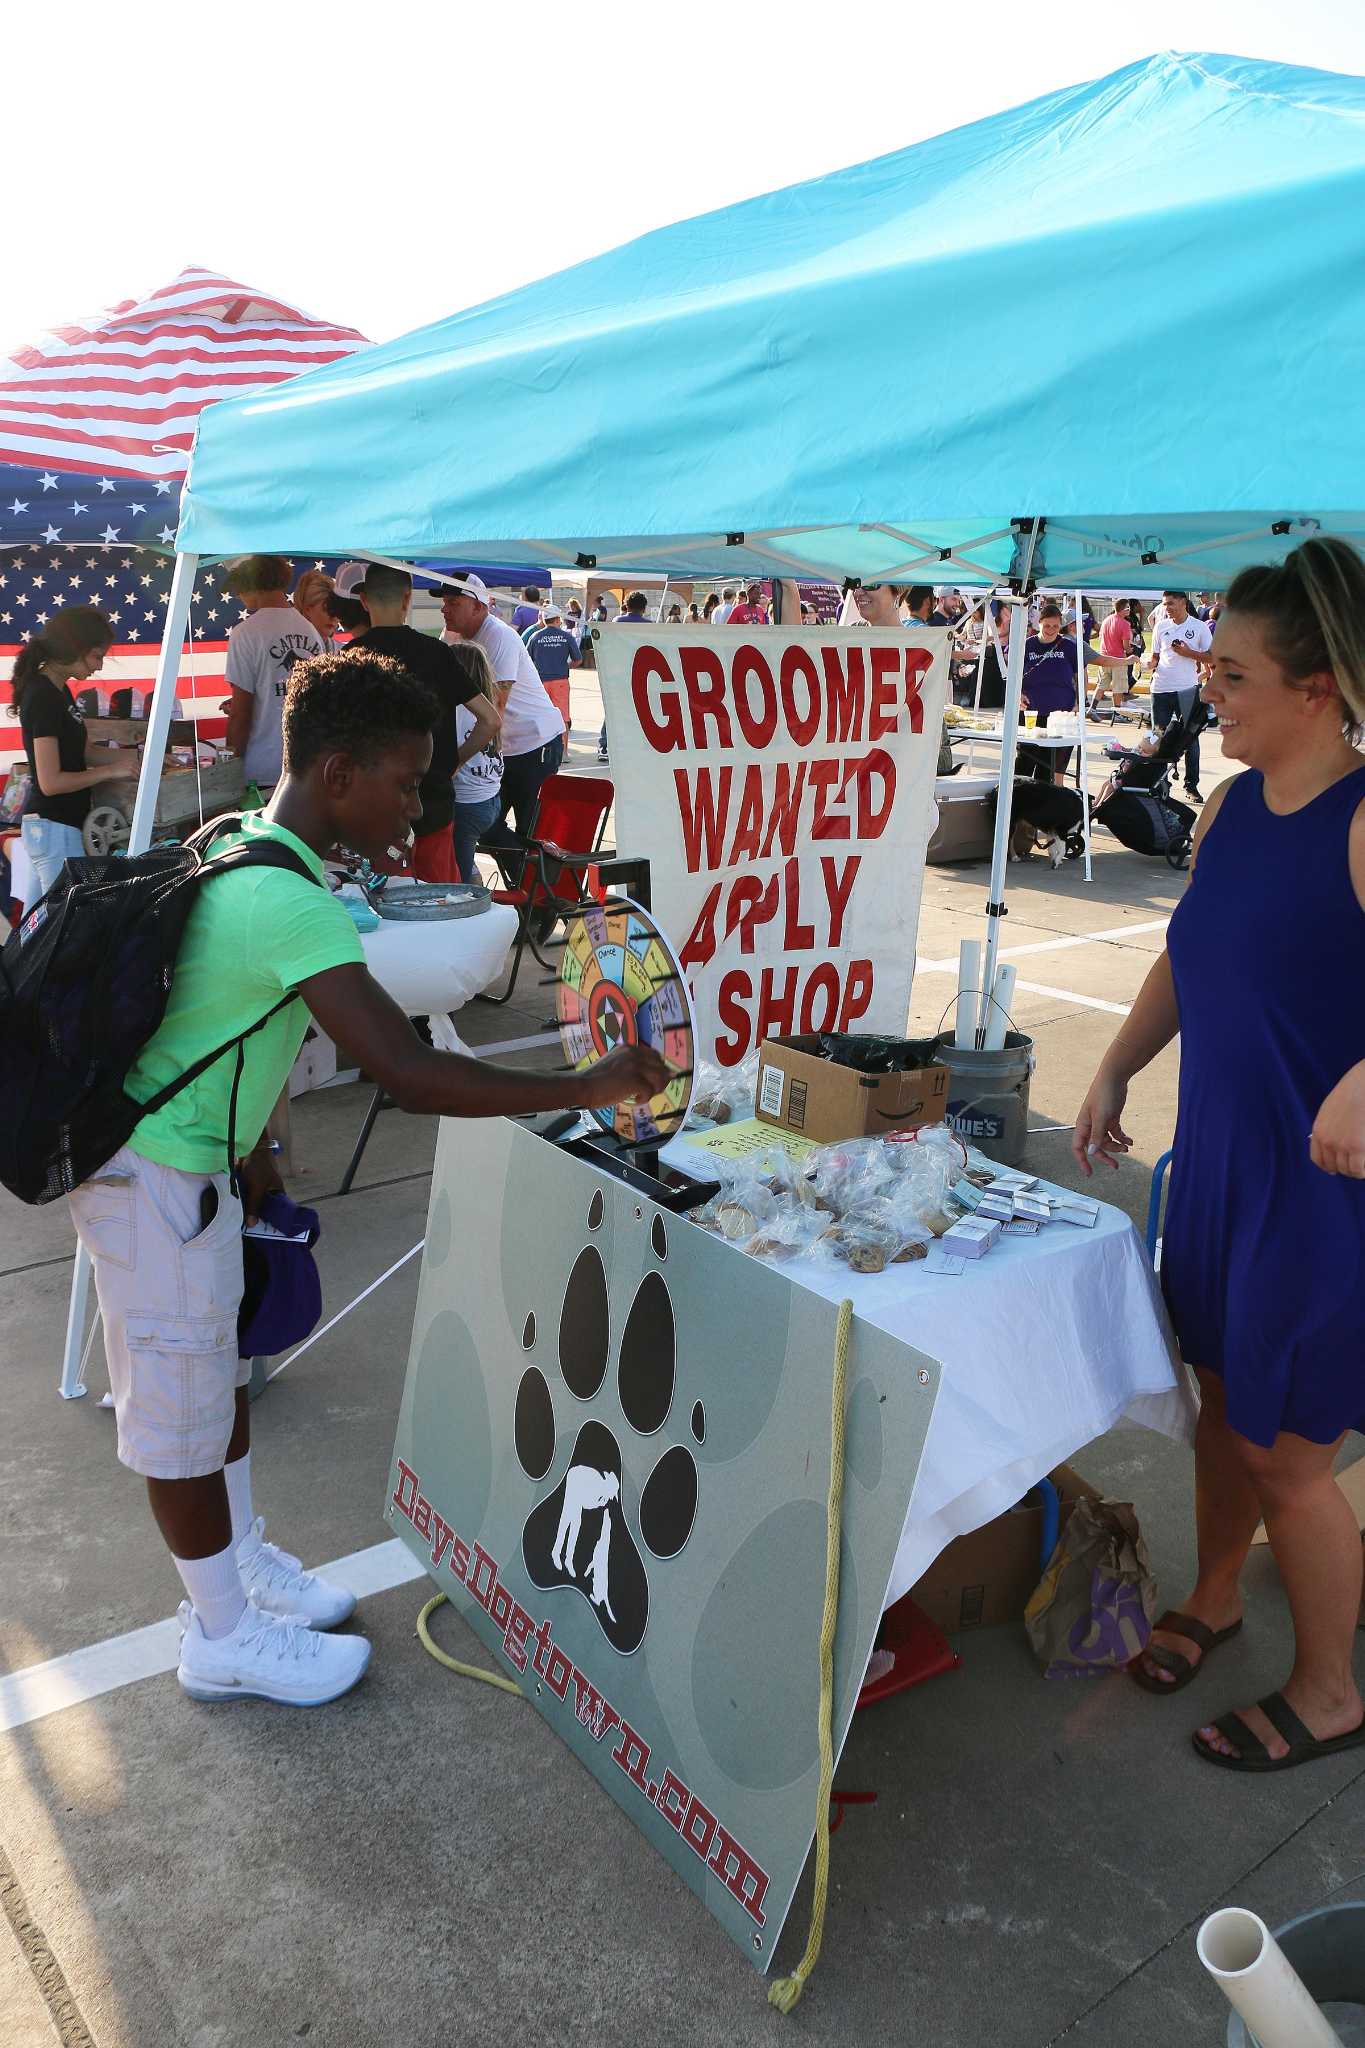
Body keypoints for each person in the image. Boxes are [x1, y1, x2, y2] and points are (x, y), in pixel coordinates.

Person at [65, 651, 667, 1709]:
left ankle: (239, 1563)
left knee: (215, 1376)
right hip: (152, 1177)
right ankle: (220, 1634)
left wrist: (253, 1161)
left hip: (195, 1163)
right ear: (338, 771)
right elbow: (409, 1071)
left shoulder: (252, 839)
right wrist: (585, 1082)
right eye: (402, 777)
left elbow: (219, 1019)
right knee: (177, 1419)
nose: (415, 800)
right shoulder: (293, 902)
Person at [1074, 536, 1365, 1776]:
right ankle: (1218, 1595)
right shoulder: (1234, 804)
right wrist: (1115, 1063)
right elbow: (1193, 952)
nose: (1208, 694)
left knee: (1289, 1456)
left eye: (1234, 675)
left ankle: (1330, 1684)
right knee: (1221, 1407)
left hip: (1321, 1194)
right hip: (1220, 1167)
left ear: (1316, 689)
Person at [341, 564, 499, 882]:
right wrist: (456, 759)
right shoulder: (438, 654)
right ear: (408, 599)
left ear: (364, 601)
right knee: (439, 908)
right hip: (432, 806)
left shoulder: (349, 658)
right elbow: (490, 720)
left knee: (377, 907)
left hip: (371, 811)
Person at [13, 606, 140, 910]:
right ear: (75, 649)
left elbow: (82, 751)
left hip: (58, 827)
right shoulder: (42, 696)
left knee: (36, 926)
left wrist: (138, 758)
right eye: (97, 656)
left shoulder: (59, 691)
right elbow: (51, 781)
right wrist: (110, 771)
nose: (98, 667)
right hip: (53, 827)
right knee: (62, 925)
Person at [438, 573, 565, 838]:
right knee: (484, 823)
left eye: (453, 602)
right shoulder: (453, 636)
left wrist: (458, 758)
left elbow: (497, 704)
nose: (444, 608)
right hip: (503, 748)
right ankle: (521, 869)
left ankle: (531, 874)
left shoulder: (498, 636)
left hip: (532, 745)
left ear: (478, 606)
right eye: (444, 602)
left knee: (529, 832)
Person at [223, 555, 324, 794]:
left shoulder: (245, 634)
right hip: (304, 767)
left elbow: (241, 714)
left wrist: (228, 769)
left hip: (260, 773)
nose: (237, 595)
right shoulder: (310, 631)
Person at [1018, 601, 1132, 784]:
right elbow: (1012, 675)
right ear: (1039, 623)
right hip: (1031, 711)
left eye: (1055, 626)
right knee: (1025, 759)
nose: (1051, 629)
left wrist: (1080, 701)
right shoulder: (1027, 645)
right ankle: (1017, 800)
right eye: (1046, 625)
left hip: (1060, 716)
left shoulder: (1069, 647)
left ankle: (1040, 803)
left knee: (1048, 765)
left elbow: (1081, 677)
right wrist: (1018, 694)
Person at [446, 640, 505, 881]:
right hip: (491, 800)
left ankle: (474, 903)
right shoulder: (487, 707)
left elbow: (446, 757)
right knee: (465, 862)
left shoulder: (458, 711)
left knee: (460, 875)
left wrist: (454, 763)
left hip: (467, 805)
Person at [1148, 589, 1214, 802]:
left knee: (1190, 737)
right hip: (1161, 688)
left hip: (1187, 688)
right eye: (1164, 604)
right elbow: (1156, 655)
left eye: (1170, 604)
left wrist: (1189, 654)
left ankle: (1191, 785)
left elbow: (1213, 657)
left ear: (1183, 602)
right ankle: (1159, 783)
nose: (1166, 608)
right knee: (1157, 735)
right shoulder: (1161, 625)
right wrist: (1150, 663)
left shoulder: (1199, 627)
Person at [525, 601, 583, 736]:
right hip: (561, 680)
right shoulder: (567, 636)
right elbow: (578, 659)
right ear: (558, 619)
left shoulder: (535, 636)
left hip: (541, 682)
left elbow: (526, 660)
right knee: (563, 716)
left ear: (544, 620)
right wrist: (565, 667)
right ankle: (564, 752)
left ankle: (543, 749)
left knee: (541, 715)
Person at [292, 569, 337, 646]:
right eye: (327, 609)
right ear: (307, 609)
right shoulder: (286, 649)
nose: (334, 617)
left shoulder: (345, 652)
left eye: (337, 610)